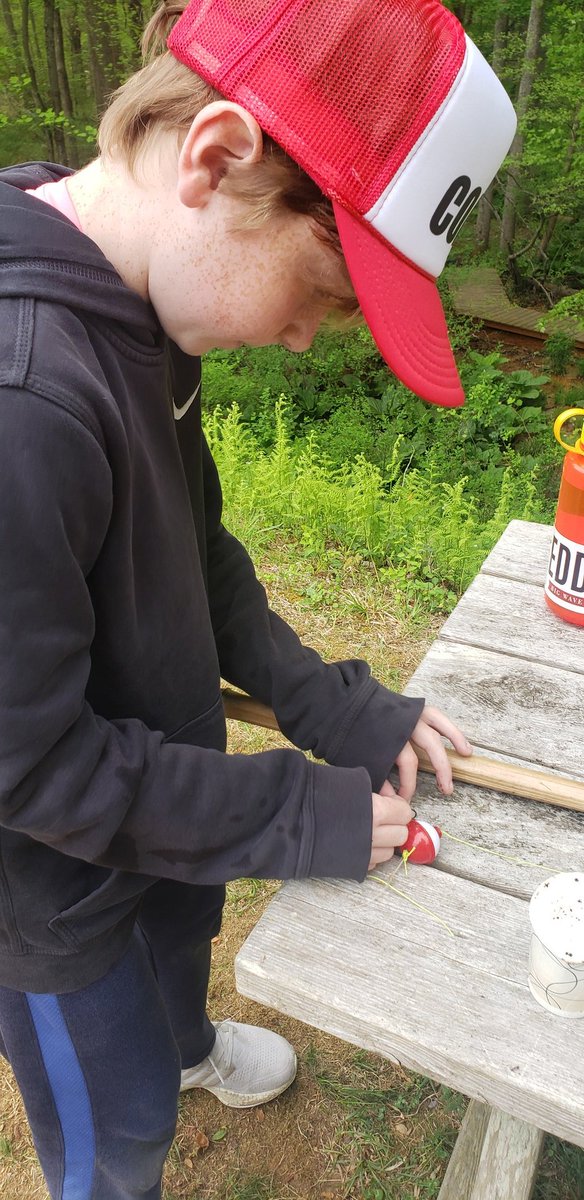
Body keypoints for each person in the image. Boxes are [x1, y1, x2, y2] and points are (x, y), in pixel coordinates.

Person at [0, 1, 515, 1196]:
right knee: (116, 1130)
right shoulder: (26, 399)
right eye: (328, 292)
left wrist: (321, 701)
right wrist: (292, 813)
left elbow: (198, 550)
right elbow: (28, 769)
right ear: (216, 155)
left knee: (180, 951)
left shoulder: (146, 301)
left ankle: (182, 1050)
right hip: (53, 898)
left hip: (166, 820)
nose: (304, 341)